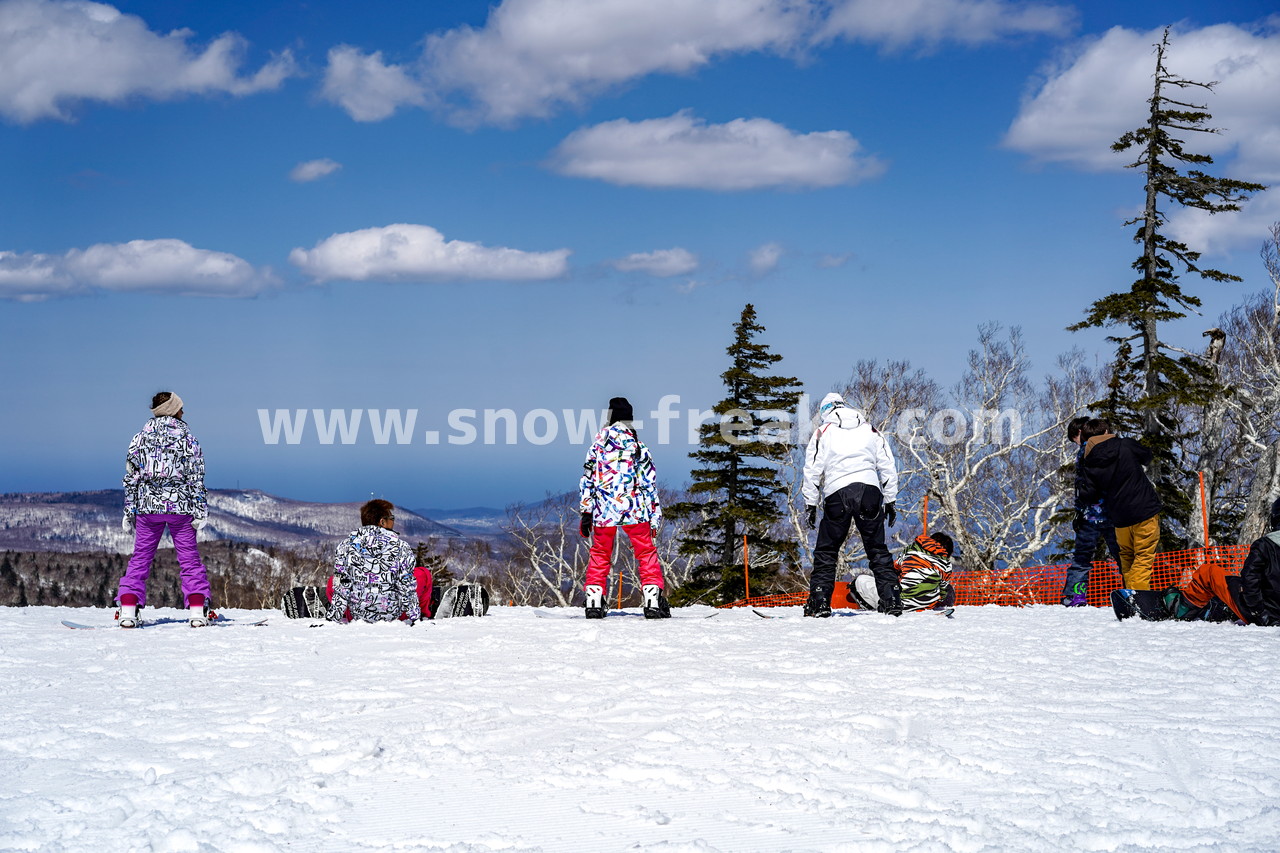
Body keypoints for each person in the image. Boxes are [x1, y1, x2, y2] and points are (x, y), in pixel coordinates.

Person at [116, 391, 212, 628]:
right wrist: (200, 509)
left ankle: (128, 608)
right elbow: (196, 477)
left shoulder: (139, 438)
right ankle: (198, 610)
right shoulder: (188, 438)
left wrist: (129, 510)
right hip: (181, 508)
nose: (183, 411)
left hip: (148, 508)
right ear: (173, 410)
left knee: (140, 559)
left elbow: (132, 478)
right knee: (189, 560)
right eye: (180, 407)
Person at [802, 393, 899, 617]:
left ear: (824, 411)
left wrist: (810, 503)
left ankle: (819, 602)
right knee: (877, 549)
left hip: (838, 492)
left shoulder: (822, 432)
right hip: (870, 491)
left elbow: (812, 470)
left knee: (827, 551)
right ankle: (892, 599)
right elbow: (887, 464)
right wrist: (890, 499)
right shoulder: (870, 429)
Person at [579, 396, 667, 619]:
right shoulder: (638, 447)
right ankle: (652, 599)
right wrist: (654, 517)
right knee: (645, 551)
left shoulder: (596, 447)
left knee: (600, 553)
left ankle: (594, 600)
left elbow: (587, 480)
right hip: (635, 510)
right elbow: (649, 484)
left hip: (603, 511)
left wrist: (586, 511)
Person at [1154, 496, 1280, 625]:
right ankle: (1228, 607)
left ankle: (1182, 609)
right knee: (1233, 579)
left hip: (1265, 615)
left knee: (1209, 572)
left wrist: (1259, 613)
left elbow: (1250, 579)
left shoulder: (1265, 545)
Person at [1077, 418, 1161, 591]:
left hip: (1119, 517)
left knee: (1127, 557)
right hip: (1144, 509)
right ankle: (1138, 597)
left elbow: (1089, 495)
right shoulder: (1125, 445)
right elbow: (1148, 456)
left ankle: (1130, 595)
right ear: (1107, 432)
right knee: (1144, 557)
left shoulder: (1089, 462)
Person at [327, 499, 421, 624]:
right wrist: (415, 618)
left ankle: (335, 610)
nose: (393, 521)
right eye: (391, 518)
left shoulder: (345, 546)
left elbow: (341, 585)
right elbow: (406, 586)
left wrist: (333, 618)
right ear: (382, 522)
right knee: (422, 573)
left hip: (358, 615)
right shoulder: (401, 547)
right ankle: (426, 610)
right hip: (392, 615)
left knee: (334, 579)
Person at [1062, 416, 1123, 606]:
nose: (1077, 443)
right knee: (1123, 556)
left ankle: (1075, 596)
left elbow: (1082, 487)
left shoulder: (1085, 451)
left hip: (1091, 515)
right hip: (1114, 513)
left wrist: (1079, 512)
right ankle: (1134, 592)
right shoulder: (1112, 449)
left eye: (1076, 439)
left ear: (1080, 433)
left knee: (1082, 558)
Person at [852, 532, 955, 613]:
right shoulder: (946, 564)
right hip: (925, 606)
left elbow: (891, 570)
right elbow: (943, 590)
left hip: (898, 604)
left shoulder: (912, 551)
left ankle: (877, 605)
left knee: (861, 580)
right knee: (947, 588)